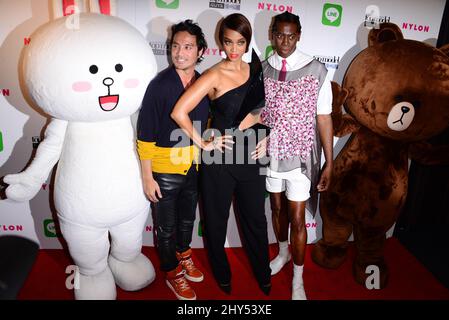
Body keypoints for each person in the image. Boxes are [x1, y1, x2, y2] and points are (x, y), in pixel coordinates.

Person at [171, 13, 272, 296]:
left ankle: (263, 274)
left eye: (240, 42)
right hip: (220, 160)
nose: (234, 49)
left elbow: (260, 111)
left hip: (253, 155)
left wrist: (266, 136)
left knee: (256, 221)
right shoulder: (214, 74)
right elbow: (179, 112)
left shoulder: (255, 69)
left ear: (247, 42)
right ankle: (222, 274)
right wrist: (203, 142)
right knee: (215, 222)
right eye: (228, 42)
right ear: (221, 41)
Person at [259, 11, 333, 300]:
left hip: (301, 157)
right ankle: (283, 253)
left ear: (299, 34)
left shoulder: (315, 69)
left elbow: (324, 117)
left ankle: (298, 280)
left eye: (291, 35)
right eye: (279, 34)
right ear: (272, 34)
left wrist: (330, 161)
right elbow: (258, 113)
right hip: (271, 155)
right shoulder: (263, 69)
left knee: (297, 218)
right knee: (276, 209)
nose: (285, 41)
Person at [136, 20, 209, 301]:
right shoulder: (159, 86)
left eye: (188, 47)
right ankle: (171, 272)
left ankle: (184, 255)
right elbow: (145, 135)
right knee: (165, 229)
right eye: (175, 46)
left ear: (200, 51)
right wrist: (147, 176)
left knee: (187, 221)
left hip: (193, 166)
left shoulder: (203, 82)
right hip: (164, 170)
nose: (180, 53)